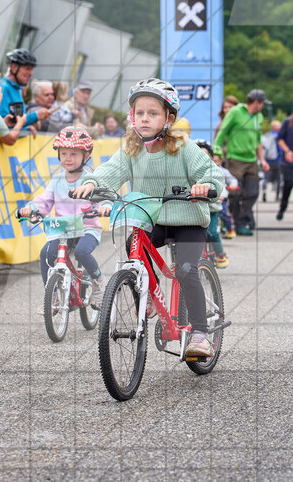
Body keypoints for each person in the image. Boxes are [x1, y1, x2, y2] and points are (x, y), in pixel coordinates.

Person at [72, 78, 224, 358]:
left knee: (187, 269)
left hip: (188, 218)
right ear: (132, 116)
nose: (144, 119)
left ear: (169, 118)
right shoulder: (131, 148)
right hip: (152, 218)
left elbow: (211, 173)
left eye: (153, 113)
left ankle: (200, 333)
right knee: (133, 248)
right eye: (139, 113)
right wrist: (92, 183)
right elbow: (110, 171)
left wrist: (204, 186)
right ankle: (149, 297)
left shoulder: (182, 146)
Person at [18, 126, 105, 306]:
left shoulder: (90, 180)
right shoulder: (57, 180)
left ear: (85, 156)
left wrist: (103, 207)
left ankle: (97, 281)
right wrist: (31, 208)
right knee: (46, 254)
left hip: (87, 228)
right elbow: (45, 200)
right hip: (63, 229)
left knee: (81, 252)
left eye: (73, 154)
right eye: (64, 153)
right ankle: (52, 296)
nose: (68, 158)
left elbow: (102, 197)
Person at [213, 88, 270, 236]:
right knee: (235, 193)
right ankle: (236, 224)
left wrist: (262, 159)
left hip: (252, 160)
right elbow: (223, 131)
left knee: (253, 192)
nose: (263, 106)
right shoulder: (236, 112)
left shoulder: (259, 117)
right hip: (235, 158)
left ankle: (243, 221)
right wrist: (216, 152)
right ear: (257, 102)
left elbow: (258, 141)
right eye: (263, 103)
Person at [195, 139, 234, 268]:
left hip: (212, 209)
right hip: (197, 210)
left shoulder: (215, 172)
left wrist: (222, 194)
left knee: (212, 233)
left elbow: (221, 186)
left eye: (205, 156)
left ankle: (220, 253)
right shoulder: (191, 172)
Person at [0, 48, 51, 133]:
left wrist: (25, 128)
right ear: (14, 67)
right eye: (27, 69)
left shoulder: (17, 89)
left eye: (32, 70)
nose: (31, 73)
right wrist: (36, 116)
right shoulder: (3, 87)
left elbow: (18, 119)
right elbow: (5, 122)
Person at [260, 120, 282, 201]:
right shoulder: (277, 136)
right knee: (278, 179)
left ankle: (265, 191)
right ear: (274, 127)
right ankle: (276, 195)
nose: (280, 127)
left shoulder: (266, 136)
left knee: (267, 178)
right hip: (275, 160)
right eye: (279, 126)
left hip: (270, 159)